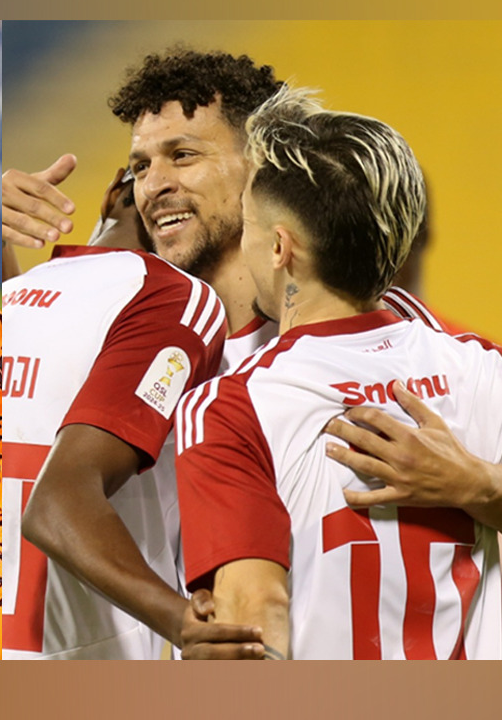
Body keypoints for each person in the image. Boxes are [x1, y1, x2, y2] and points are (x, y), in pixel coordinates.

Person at [2, 46, 502, 658]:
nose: (154, 184)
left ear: (261, 170)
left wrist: (483, 487)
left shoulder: (414, 343)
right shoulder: (132, 325)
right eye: (140, 166)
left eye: (183, 155)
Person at [174, 87, 501, 659]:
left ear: (279, 248)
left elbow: (257, 620)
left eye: (248, 224)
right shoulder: (481, 367)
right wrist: (480, 488)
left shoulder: (231, 407)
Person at [5, 169, 268, 659]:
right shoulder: (175, 296)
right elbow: (55, 503)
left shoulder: (12, 298)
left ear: (108, 197)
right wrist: (184, 624)